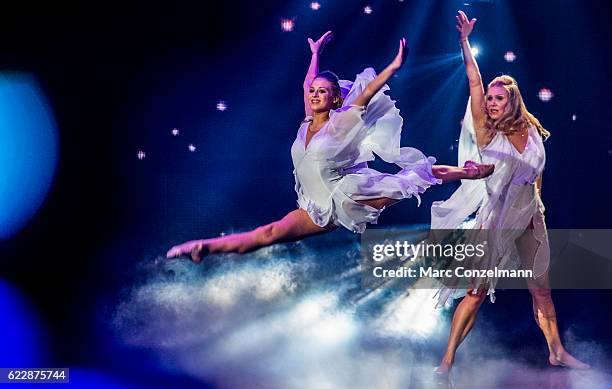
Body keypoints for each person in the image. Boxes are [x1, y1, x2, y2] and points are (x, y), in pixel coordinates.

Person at [166, 31, 493, 262]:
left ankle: (466, 172)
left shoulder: (344, 121)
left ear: (336, 97)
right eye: (314, 92)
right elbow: (307, 84)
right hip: (313, 207)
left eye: (324, 92)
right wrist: (315, 55)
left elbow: (364, 95)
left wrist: (393, 68)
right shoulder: (307, 121)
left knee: (414, 178)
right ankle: (203, 247)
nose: (315, 94)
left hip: (347, 196)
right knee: (267, 234)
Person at [431, 11, 589, 375]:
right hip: (498, 217)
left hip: (531, 216)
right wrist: (464, 42)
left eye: (498, 98)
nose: (490, 102)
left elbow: (536, 171)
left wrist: (538, 198)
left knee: (542, 290)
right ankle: (448, 360)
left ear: (512, 101)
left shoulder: (530, 128)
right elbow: (473, 81)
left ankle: (557, 352)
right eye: (488, 98)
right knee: (477, 291)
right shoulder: (488, 132)